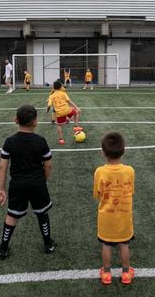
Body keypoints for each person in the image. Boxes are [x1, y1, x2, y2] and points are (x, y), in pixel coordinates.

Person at [0, 105, 56, 259]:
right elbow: (48, 164)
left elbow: (2, 167)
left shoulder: (9, 142)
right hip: (37, 183)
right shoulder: (40, 141)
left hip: (18, 185)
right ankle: (48, 244)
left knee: (12, 215)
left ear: (16, 120)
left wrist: (1, 189)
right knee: (42, 212)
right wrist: (43, 179)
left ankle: (3, 248)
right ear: (35, 122)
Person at [93, 132, 135, 285]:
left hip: (106, 217)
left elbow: (97, 194)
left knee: (106, 244)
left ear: (103, 152)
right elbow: (131, 191)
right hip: (124, 217)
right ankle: (125, 273)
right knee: (124, 244)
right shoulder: (130, 171)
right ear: (123, 150)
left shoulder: (100, 172)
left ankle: (106, 273)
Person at [46, 80, 83, 145]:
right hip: (67, 110)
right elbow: (69, 101)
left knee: (59, 125)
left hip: (59, 113)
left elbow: (49, 105)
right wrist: (76, 107)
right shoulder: (63, 93)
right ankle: (75, 126)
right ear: (61, 87)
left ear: (53, 87)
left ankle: (61, 139)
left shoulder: (51, 96)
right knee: (76, 112)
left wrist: (47, 110)